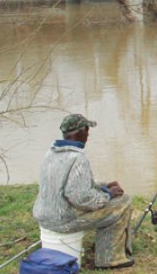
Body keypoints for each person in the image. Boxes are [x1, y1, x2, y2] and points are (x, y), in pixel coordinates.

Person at [32, 114, 134, 269]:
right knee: (123, 202)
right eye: (87, 130)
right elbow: (81, 198)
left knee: (107, 200)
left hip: (45, 218)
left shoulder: (52, 152)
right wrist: (109, 194)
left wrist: (103, 187)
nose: (88, 134)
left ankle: (107, 250)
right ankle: (110, 258)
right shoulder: (77, 158)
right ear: (80, 132)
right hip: (63, 221)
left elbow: (69, 185)